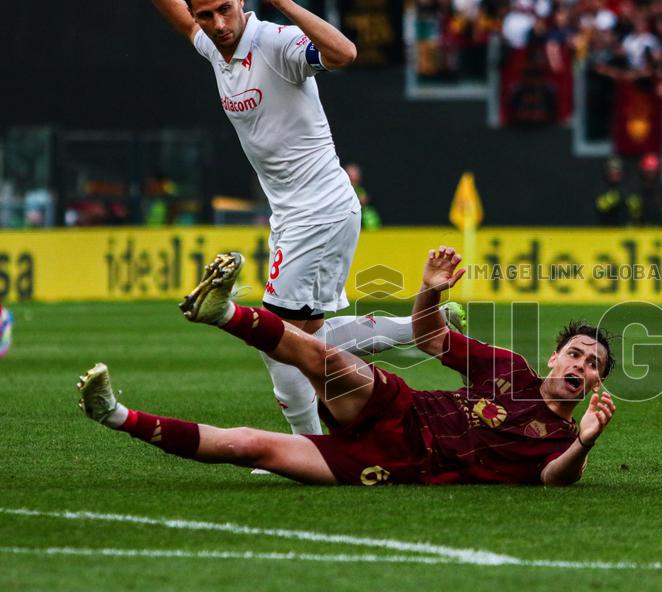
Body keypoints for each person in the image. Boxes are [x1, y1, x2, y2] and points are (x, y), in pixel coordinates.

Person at [151, 0, 461, 437]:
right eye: (206, 16)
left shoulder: (274, 42)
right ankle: (419, 327)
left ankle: (309, 445)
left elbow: (345, 54)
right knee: (309, 337)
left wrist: (283, 4)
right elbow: (185, 23)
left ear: (241, 2)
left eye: (224, 9)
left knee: (275, 337)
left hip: (320, 210)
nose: (218, 24)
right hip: (293, 214)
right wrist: (195, 19)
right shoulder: (213, 44)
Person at [77, 247, 618, 487]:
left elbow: (554, 478)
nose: (580, 364)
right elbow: (430, 336)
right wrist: (428, 291)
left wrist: (586, 441)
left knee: (251, 447)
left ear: (596, 383)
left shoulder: (563, 440)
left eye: (593, 365)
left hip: (396, 464)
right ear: (554, 357)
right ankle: (223, 314)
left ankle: (113, 414)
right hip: (404, 411)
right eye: (575, 353)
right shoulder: (511, 369)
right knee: (331, 359)